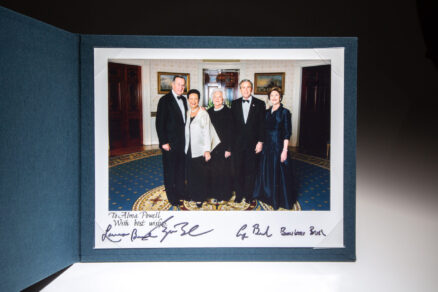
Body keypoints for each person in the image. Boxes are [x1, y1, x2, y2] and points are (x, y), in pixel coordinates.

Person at [253, 87, 297, 210]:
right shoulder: (266, 112)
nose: (274, 97)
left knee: (278, 172)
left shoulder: (285, 112)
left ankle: (277, 199)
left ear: (280, 97)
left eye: (276, 95)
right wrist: (260, 143)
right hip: (267, 146)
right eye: (271, 95)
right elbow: (261, 129)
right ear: (269, 98)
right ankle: (267, 195)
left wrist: (285, 150)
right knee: (266, 171)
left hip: (278, 146)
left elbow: (287, 132)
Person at [230, 79, 266, 203]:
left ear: (251, 89)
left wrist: (260, 142)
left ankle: (249, 195)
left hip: (253, 144)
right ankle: (239, 194)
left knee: (251, 170)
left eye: (248, 87)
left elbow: (262, 125)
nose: (245, 90)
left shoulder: (260, 104)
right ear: (240, 89)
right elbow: (231, 126)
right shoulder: (234, 104)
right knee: (238, 170)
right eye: (243, 87)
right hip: (237, 145)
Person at [155, 76, 188, 206]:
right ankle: (172, 196)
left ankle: (181, 192)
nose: (181, 87)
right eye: (178, 84)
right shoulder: (164, 100)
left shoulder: (185, 100)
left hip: (183, 142)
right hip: (169, 143)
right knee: (170, 171)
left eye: (183, 85)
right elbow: (159, 123)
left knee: (181, 169)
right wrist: (163, 142)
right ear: (173, 85)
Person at [184, 89, 220, 207]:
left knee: (199, 174)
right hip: (189, 148)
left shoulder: (203, 113)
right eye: (191, 98)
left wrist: (207, 150)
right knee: (191, 173)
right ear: (188, 100)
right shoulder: (188, 112)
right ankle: (192, 195)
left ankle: (199, 197)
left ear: (198, 100)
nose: (193, 101)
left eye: (196, 99)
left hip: (200, 149)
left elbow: (206, 133)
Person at [207, 89, 233, 203]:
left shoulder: (229, 112)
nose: (217, 99)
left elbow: (233, 132)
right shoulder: (208, 112)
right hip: (212, 147)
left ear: (223, 99)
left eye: (219, 97)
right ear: (212, 99)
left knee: (224, 171)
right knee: (213, 171)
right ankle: (214, 193)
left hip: (224, 148)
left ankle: (225, 194)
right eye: (215, 97)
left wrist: (229, 149)